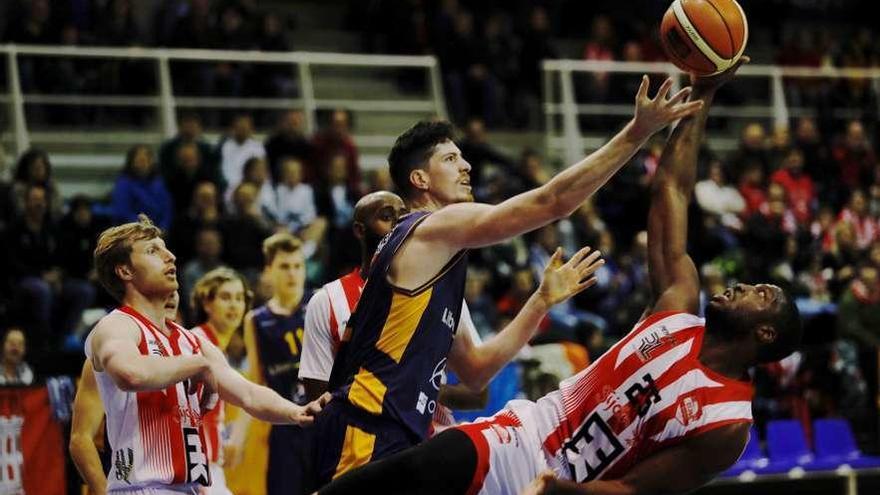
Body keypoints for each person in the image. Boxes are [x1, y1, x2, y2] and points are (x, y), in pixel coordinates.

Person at [319, 58, 804, 495]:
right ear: (419, 180)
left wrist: (540, 302)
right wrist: (656, 122)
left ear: (765, 333)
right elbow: (579, 200)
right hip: (413, 428)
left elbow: (477, 371)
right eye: (451, 159)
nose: (467, 165)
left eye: (760, 293)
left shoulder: (726, 423)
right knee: (426, 465)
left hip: (544, 475)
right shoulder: (433, 228)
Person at [84, 215, 329, 494]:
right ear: (125, 271)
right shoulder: (117, 325)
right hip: (142, 487)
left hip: (190, 486)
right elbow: (130, 374)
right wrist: (198, 366)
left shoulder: (190, 341)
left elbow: (248, 394)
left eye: (166, 248)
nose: (170, 257)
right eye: (153, 251)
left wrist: (296, 411)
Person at [299, 191, 486, 430]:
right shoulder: (327, 300)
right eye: (387, 217)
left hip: (428, 439)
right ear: (359, 230)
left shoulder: (444, 293)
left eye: (403, 217)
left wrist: (424, 391)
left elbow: (478, 394)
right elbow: (317, 400)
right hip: (359, 444)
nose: (399, 225)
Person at [71, 293, 182, 495]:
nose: (170, 297)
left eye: (174, 290)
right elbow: (80, 438)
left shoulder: (188, 353)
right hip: (126, 482)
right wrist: (101, 490)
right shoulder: (106, 357)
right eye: (160, 293)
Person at [239, 233, 313, 495]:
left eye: (297, 266)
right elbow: (254, 381)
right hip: (285, 427)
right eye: (284, 266)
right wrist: (238, 438)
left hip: (324, 421)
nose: (292, 273)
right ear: (268, 271)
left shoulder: (319, 304)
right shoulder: (256, 320)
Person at [190, 268, 253, 495]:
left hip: (210, 466)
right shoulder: (197, 342)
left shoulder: (216, 346)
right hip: (198, 469)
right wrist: (196, 475)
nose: (234, 305)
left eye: (239, 298)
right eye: (226, 298)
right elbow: (184, 413)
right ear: (207, 304)